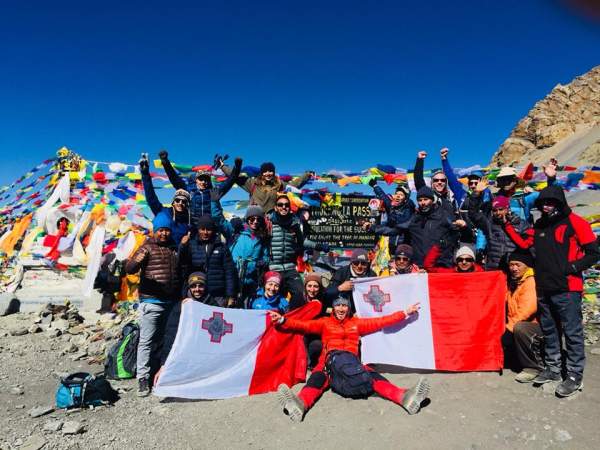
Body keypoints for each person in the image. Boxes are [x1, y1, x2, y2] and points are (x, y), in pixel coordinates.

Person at [505, 185, 600, 396]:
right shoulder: (539, 225)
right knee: (550, 330)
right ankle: (553, 368)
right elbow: (523, 242)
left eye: (550, 203)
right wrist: (507, 226)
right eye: (542, 203)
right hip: (544, 286)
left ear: (559, 203)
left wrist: (572, 268)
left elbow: (594, 252)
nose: (546, 207)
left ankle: (575, 375)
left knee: (572, 332)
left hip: (568, 288)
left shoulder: (576, 222)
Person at [271, 297, 429, 422]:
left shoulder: (357, 323)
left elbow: (382, 321)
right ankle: (300, 404)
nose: (341, 308)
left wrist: (405, 312)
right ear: (333, 308)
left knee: (371, 376)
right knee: (317, 379)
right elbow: (303, 325)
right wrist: (282, 320)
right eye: (338, 305)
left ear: (349, 308)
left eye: (344, 306)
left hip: (352, 362)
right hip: (328, 362)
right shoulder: (325, 323)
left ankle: (405, 397)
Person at [125, 214, 180, 397]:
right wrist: (137, 260)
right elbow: (130, 269)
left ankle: (161, 374)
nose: (164, 233)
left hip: (170, 302)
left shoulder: (173, 248)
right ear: (154, 231)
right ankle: (142, 378)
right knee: (146, 341)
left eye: (166, 230)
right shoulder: (147, 247)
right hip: (151, 302)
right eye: (160, 230)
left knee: (166, 340)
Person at [268, 194, 327, 309]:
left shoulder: (294, 223)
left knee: (300, 293)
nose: (283, 207)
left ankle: (291, 317)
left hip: (290, 267)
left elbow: (302, 241)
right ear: (276, 207)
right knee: (273, 293)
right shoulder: (268, 223)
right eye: (280, 205)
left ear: (289, 207)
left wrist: (318, 246)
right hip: (273, 267)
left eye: (286, 205)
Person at [156, 272, 213, 386]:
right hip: (185, 351)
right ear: (189, 288)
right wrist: (163, 365)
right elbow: (170, 335)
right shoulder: (181, 307)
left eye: (200, 285)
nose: (197, 289)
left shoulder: (213, 305)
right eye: (193, 286)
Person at [158, 150, 241, 227]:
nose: (204, 182)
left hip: (211, 228)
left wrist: (237, 168)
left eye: (206, 180)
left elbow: (229, 182)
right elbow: (174, 178)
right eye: (201, 179)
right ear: (196, 180)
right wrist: (165, 162)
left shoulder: (214, 192)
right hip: (192, 228)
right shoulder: (188, 190)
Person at [501, 251, 544, 383]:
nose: (514, 268)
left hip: (537, 327)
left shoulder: (530, 281)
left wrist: (508, 328)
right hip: (520, 323)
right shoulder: (515, 281)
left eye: (518, 265)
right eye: (511, 265)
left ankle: (534, 368)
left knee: (519, 328)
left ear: (527, 266)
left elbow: (528, 309)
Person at [178, 215, 238, 307]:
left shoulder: (222, 247)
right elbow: (182, 264)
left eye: (208, 229)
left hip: (217, 295)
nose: (205, 232)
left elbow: (229, 272)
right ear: (198, 230)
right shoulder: (192, 245)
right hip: (197, 294)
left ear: (213, 230)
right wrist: (182, 246)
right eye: (202, 229)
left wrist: (231, 295)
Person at [218, 157, 313, 213]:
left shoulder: (279, 184)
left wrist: (306, 175)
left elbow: (293, 185)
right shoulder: (252, 183)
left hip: (273, 221)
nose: (268, 173)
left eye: (270, 171)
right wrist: (222, 166)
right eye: (265, 171)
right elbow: (234, 176)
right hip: (255, 219)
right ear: (261, 173)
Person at [468, 184, 528, 270]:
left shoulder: (520, 224)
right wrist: (476, 193)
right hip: (493, 269)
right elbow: (473, 214)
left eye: (501, 209)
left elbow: (529, 246)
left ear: (507, 209)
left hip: (513, 269)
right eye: (495, 210)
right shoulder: (489, 224)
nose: (498, 213)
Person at [139, 154, 191, 246]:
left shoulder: (190, 218)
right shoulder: (164, 213)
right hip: (165, 256)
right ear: (173, 202)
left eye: (184, 201)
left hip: (183, 257)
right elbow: (151, 198)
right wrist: (145, 174)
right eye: (177, 200)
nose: (180, 203)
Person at [407, 186, 464, 267]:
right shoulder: (414, 219)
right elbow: (397, 228)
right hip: (419, 266)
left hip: (440, 265)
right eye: (420, 200)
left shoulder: (444, 216)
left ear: (432, 200)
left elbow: (456, 234)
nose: (423, 202)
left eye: (426, 199)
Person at [229, 205, 270, 307]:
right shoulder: (237, 232)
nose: (255, 221)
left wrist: (262, 262)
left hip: (251, 280)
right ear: (247, 219)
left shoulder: (261, 237)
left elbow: (266, 256)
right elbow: (220, 221)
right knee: (232, 306)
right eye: (252, 219)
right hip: (234, 276)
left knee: (248, 306)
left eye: (258, 219)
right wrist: (214, 202)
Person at [367, 180, 414, 254]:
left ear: (406, 199)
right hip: (391, 244)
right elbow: (383, 197)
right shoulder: (392, 206)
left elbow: (399, 224)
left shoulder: (408, 210)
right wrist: (375, 186)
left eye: (401, 195)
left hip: (403, 245)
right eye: (396, 194)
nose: (398, 196)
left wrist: (391, 210)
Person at [413, 150, 457, 214]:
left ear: (446, 182)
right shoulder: (428, 194)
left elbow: (450, 175)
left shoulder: (451, 197)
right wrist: (420, 160)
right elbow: (418, 178)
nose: (439, 182)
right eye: (436, 180)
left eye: (442, 180)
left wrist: (444, 158)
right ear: (432, 183)